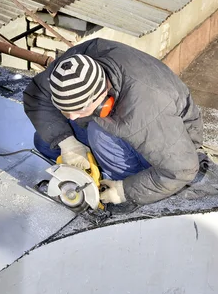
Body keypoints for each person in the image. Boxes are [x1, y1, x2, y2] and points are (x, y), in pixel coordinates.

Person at [23, 38, 203, 207]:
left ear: (102, 100)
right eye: (66, 109)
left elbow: (182, 169)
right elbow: (37, 95)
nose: (71, 117)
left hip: (170, 145)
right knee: (47, 140)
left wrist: (123, 192)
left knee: (98, 133)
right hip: (135, 118)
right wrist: (68, 143)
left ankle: (123, 180)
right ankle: (101, 164)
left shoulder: (145, 110)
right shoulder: (75, 65)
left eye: (79, 110)